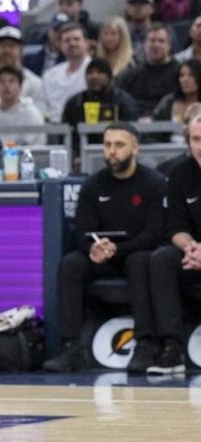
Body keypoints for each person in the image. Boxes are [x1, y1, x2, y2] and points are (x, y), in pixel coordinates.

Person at [43, 123, 166, 373]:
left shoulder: (153, 183)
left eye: (119, 145)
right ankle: (71, 347)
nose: (112, 151)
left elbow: (153, 235)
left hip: (135, 253)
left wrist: (117, 250)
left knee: (141, 261)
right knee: (71, 264)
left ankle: (145, 344)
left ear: (135, 148)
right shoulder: (93, 185)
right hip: (102, 257)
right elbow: (83, 232)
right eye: (108, 145)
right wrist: (94, 249)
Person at [147, 112, 201, 375]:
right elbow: (176, 227)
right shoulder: (180, 173)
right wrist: (192, 248)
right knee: (161, 259)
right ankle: (172, 347)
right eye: (196, 139)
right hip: (193, 253)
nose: (200, 146)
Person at [116, 23, 179, 115]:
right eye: (152, 40)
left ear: (169, 45)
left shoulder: (180, 74)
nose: (156, 45)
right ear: (144, 44)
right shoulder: (130, 75)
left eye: (161, 41)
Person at [0, 66, 46, 146]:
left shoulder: (32, 114)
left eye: (11, 81)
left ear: (20, 86)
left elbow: (38, 145)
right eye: (2, 82)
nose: (6, 85)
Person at [38, 23, 91, 123]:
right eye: (67, 40)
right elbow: (42, 105)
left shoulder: (95, 71)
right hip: (54, 129)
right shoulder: (49, 75)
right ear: (61, 46)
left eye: (76, 39)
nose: (72, 43)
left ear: (86, 43)